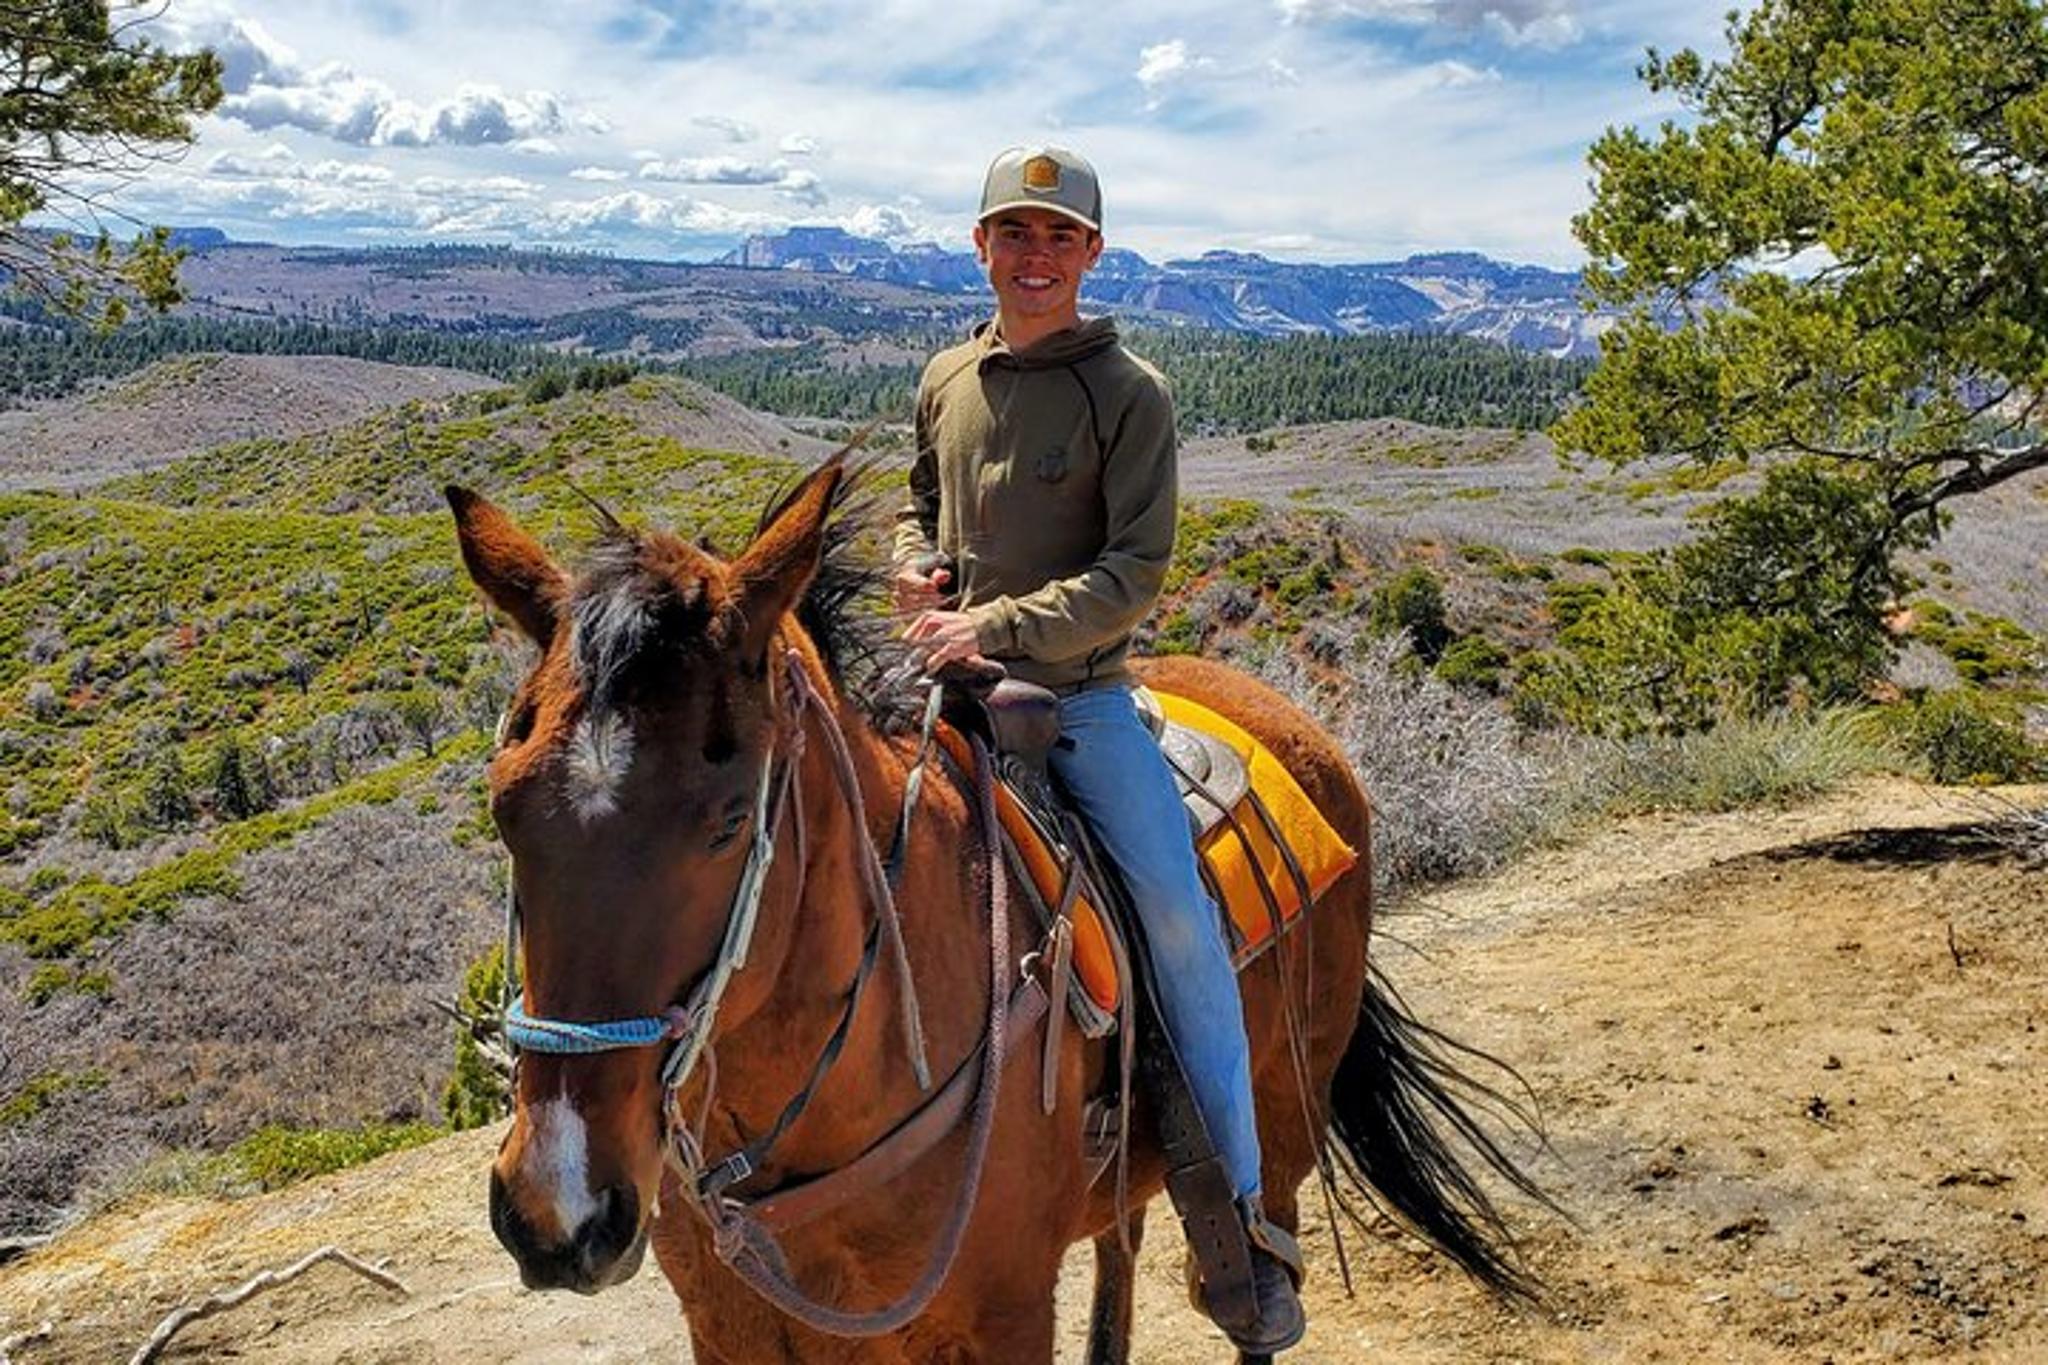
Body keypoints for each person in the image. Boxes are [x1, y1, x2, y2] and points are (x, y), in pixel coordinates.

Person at [892, 145, 1304, 1354]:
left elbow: (1132, 574)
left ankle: (1233, 1222)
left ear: (1090, 257)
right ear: (979, 247)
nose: (1034, 254)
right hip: (946, 687)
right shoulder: (943, 377)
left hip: (1072, 699)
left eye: (1057, 237)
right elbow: (922, 499)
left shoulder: (1132, 392)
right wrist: (921, 566)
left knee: (1178, 924)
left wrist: (995, 621)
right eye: (1013, 233)